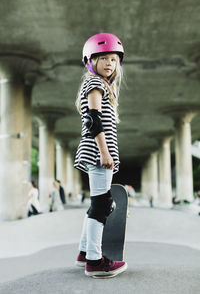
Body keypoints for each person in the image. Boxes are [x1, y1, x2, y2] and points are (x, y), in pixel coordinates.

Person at [74, 33, 127, 277]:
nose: (109, 63)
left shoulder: (102, 85)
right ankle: (95, 261)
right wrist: (105, 153)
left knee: (98, 204)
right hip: (98, 152)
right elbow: (93, 120)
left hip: (97, 152)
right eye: (103, 57)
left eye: (114, 60)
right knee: (101, 205)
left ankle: (85, 252)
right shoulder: (94, 83)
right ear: (90, 60)